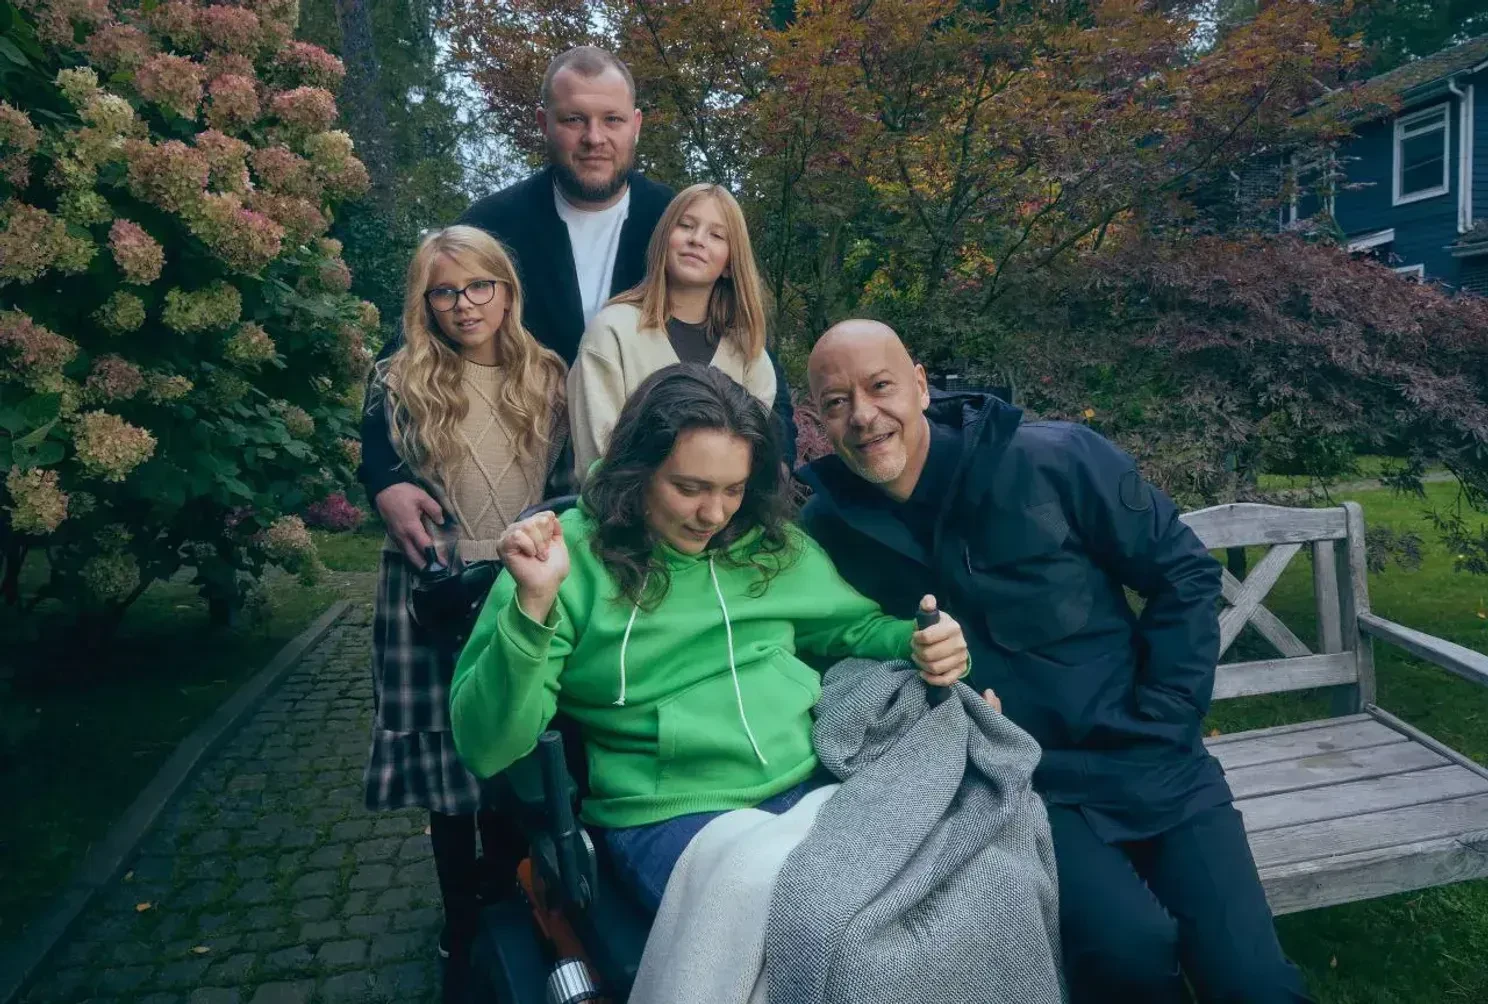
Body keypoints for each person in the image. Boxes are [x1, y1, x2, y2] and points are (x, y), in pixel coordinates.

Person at [797, 319, 1312, 1004]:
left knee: (1254, 983)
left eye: (880, 386)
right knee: (1129, 952)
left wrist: (1168, 714)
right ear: (819, 420)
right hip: (1025, 787)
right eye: (837, 402)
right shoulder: (830, 530)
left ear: (920, 385)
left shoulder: (1056, 460)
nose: (863, 415)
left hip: (1155, 759)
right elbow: (826, 648)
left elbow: (1183, 575)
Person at [449, 364, 970, 912]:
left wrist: (920, 643)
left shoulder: (768, 545)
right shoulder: (562, 560)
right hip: (669, 813)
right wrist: (533, 606)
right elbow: (486, 748)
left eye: (733, 489)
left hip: (814, 780)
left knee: (954, 889)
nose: (714, 514)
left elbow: (855, 627)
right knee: (821, 928)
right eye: (688, 488)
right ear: (637, 471)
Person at [359, 47, 797, 570]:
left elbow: (750, 350)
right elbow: (407, 348)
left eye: (612, 119)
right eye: (574, 120)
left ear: (636, 125)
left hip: (649, 509)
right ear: (544, 123)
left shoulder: (676, 226)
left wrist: (775, 470)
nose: (594, 138)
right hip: (515, 490)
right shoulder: (495, 225)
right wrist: (384, 477)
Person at [361, 226, 567, 993]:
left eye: (480, 285)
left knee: (520, 758)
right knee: (450, 781)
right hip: (433, 594)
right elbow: (376, 462)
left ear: (507, 291)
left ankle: (513, 901)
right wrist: (381, 483)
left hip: (520, 584)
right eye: (444, 291)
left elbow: (571, 482)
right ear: (425, 303)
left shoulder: (549, 375)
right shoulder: (397, 380)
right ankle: (459, 927)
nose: (464, 304)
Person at [567, 183, 778, 477]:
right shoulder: (612, 332)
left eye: (717, 235)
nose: (697, 240)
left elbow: (751, 468)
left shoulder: (749, 356)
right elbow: (598, 460)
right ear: (664, 240)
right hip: (623, 503)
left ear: (730, 264)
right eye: (686, 226)